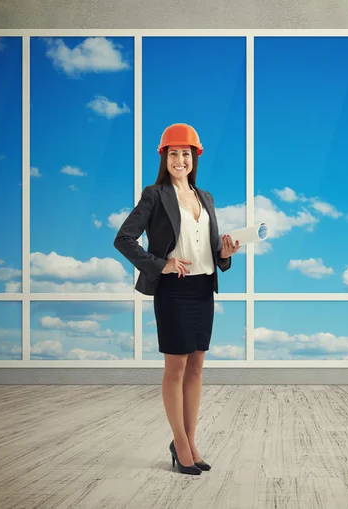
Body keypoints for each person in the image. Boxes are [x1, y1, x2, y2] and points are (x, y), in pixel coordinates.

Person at [113, 123, 239, 475]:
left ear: (195, 157)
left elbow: (209, 249)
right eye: (174, 154)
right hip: (173, 292)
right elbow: (124, 239)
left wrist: (225, 253)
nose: (180, 160)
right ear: (164, 157)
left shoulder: (206, 197)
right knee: (176, 369)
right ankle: (180, 444)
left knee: (197, 368)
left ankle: (190, 440)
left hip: (202, 290)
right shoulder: (155, 194)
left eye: (186, 153)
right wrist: (160, 264)